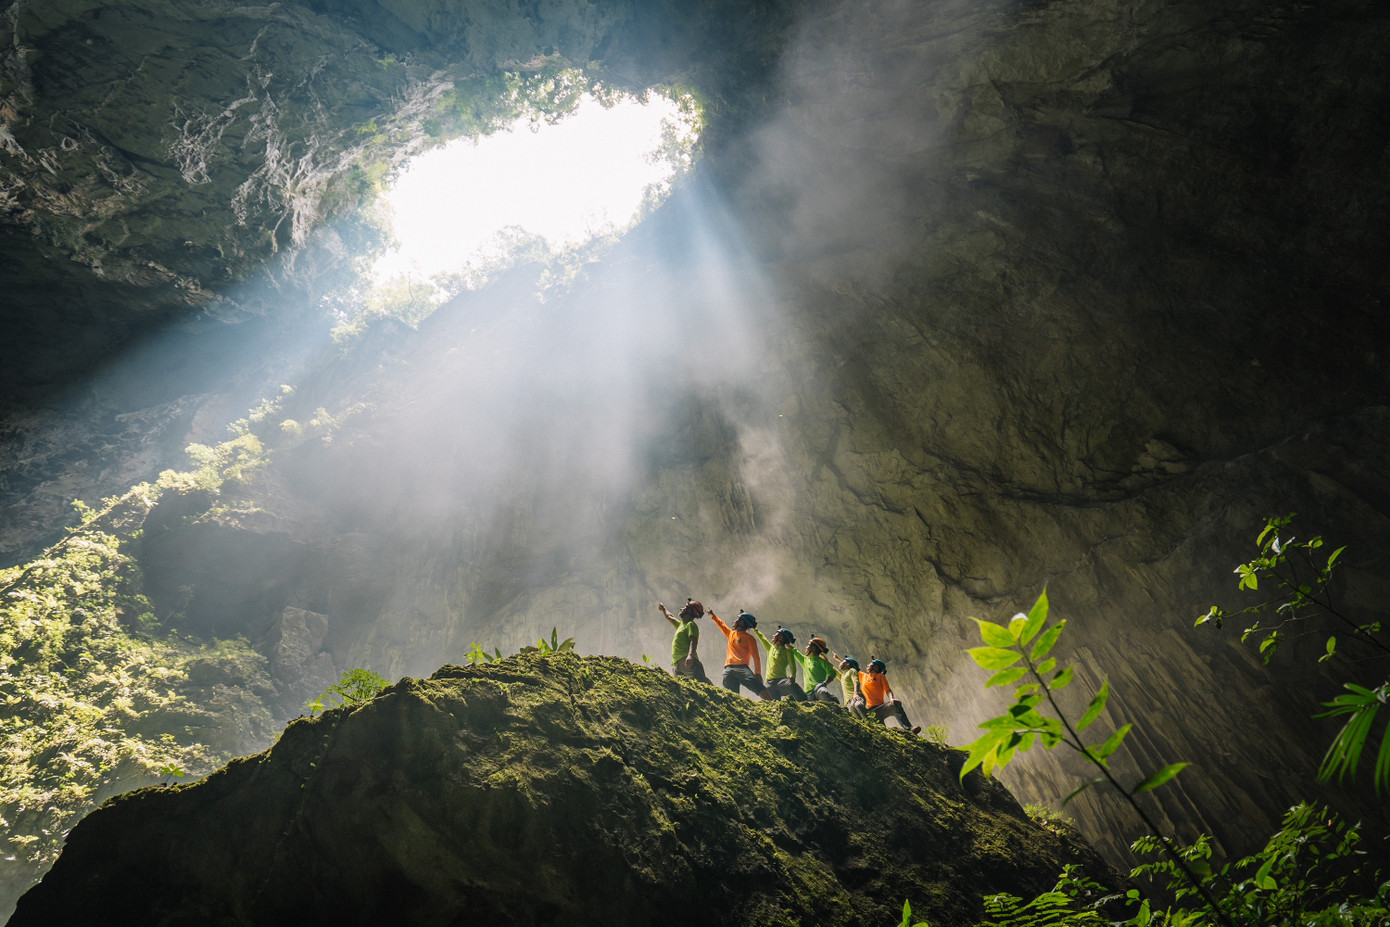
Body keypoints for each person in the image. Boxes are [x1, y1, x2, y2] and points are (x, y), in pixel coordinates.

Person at [709, 609, 769, 699]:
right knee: (731, 695)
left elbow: (756, 657)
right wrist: (713, 616)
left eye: (737, 619)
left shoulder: (750, 638)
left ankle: (773, 705)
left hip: (742, 668)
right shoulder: (731, 633)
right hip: (728, 669)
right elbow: (722, 625)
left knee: (758, 686)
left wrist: (758, 673)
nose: (735, 621)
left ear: (742, 623)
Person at [858, 658, 920, 734]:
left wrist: (891, 699)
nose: (868, 665)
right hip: (867, 712)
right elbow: (851, 668)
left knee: (895, 704)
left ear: (876, 667)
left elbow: (888, 690)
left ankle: (909, 729)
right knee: (883, 733)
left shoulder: (880, 676)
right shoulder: (863, 676)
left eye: (871, 664)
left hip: (880, 709)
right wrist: (838, 659)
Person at [656, 598, 708, 683]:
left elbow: (693, 641)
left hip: (688, 661)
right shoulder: (680, 624)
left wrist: (690, 656)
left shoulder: (690, 624)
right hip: (678, 664)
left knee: (702, 684)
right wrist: (664, 609)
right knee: (683, 688)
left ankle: (723, 696)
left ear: (689, 612)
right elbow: (670, 617)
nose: (681, 609)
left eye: (684, 607)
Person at [752, 625, 806, 701]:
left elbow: (792, 665)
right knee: (771, 701)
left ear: (781, 638)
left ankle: (805, 702)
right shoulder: (770, 648)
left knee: (793, 686)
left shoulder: (787, 651)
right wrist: (755, 630)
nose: (773, 636)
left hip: (781, 682)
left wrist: (793, 676)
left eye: (776, 635)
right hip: (769, 684)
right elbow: (763, 639)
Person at [792, 636, 841, 703]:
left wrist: (824, 683)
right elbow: (794, 651)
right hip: (808, 693)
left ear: (813, 648)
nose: (806, 647)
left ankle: (836, 704)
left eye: (808, 645)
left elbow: (832, 673)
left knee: (823, 693)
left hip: (819, 688)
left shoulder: (822, 661)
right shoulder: (805, 660)